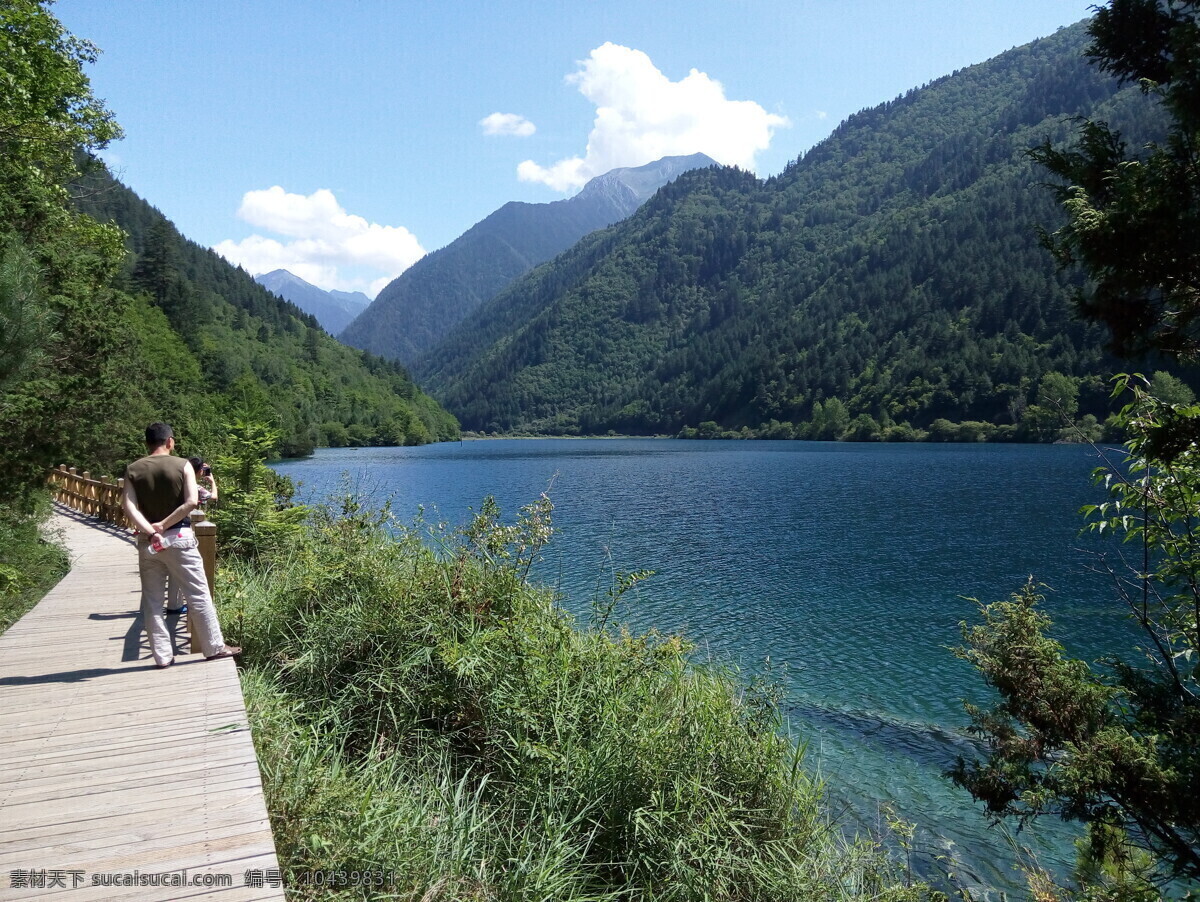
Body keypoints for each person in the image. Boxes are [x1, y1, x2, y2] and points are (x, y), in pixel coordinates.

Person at [122, 422, 239, 668]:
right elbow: (192, 502)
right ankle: (214, 647)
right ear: (170, 442)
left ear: (147, 443)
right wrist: (164, 525)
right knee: (198, 594)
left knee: (152, 601)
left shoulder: (133, 469)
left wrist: (150, 530)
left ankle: (162, 656)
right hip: (179, 538)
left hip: (148, 544)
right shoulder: (183, 464)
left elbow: (129, 507)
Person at [164, 457, 218, 615]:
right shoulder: (194, 486)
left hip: (165, 529)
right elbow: (213, 497)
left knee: (172, 570)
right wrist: (212, 481)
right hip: (180, 531)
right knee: (190, 572)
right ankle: (196, 611)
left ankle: (174, 605)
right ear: (200, 471)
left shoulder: (174, 483)